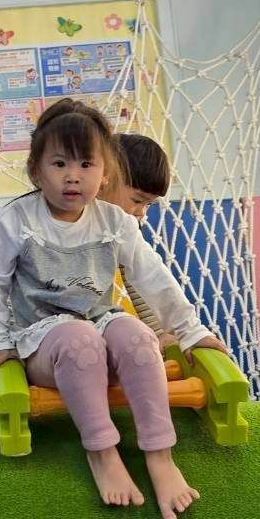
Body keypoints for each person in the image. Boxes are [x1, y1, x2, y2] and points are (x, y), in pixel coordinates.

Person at [0, 98, 208, 519]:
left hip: (98, 327)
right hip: (44, 343)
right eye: (59, 163)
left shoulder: (116, 222)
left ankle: (160, 455)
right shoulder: (15, 221)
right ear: (36, 171)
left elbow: (155, 279)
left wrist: (191, 331)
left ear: (105, 173)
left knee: (137, 336)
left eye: (86, 164)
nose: (73, 176)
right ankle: (102, 452)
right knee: (79, 339)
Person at [99, 133, 231, 360]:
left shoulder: (121, 227)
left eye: (148, 205)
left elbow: (148, 277)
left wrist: (179, 331)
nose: (142, 212)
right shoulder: (61, 220)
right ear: (104, 179)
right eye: (137, 200)